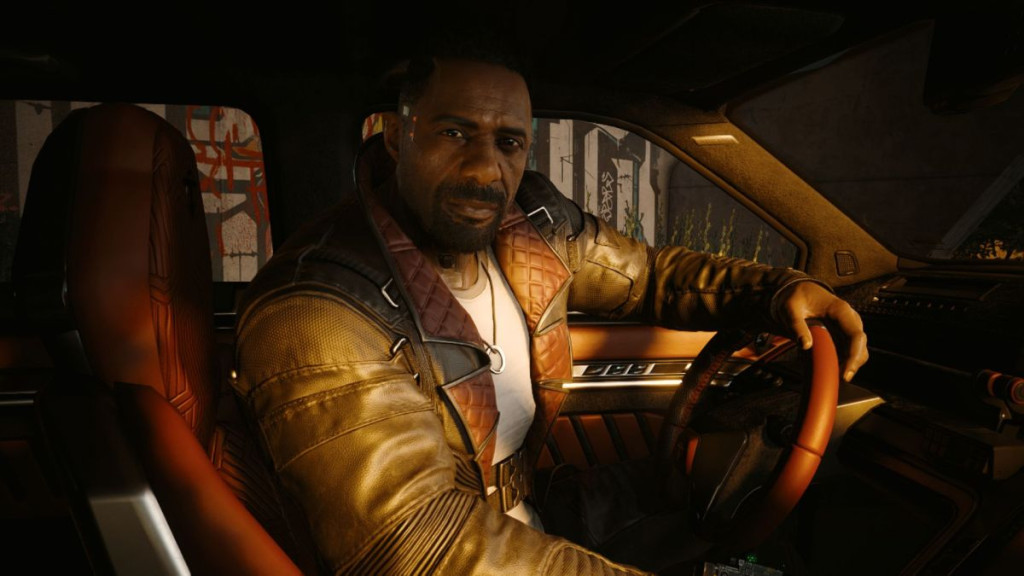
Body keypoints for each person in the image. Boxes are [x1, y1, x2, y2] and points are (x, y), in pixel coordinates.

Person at [231, 32, 868, 576]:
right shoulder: (315, 313)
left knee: (754, 544)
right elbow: (420, 546)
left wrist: (777, 290)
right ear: (397, 136)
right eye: (455, 133)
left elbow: (649, 277)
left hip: (532, 509)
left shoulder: (530, 225)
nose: (485, 170)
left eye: (508, 142)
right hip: (468, 549)